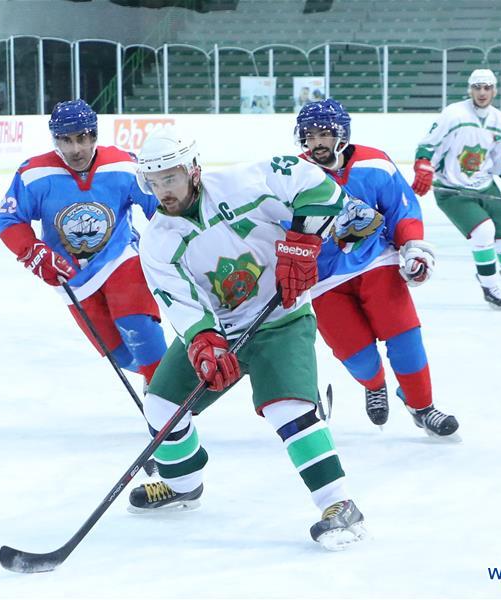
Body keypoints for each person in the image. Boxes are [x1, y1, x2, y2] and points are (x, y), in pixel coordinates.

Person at [129, 126, 367, 551]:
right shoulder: (157, 241)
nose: (163, 190)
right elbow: (180, 300)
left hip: (281, 319)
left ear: (193, 170)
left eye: (171, 177)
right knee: (161, 405)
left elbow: (318, 187)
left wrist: (301, 242)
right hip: (222, 329)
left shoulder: (241, 184)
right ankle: (183, 484)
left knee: (288, 409)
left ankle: (338, 503)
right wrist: (203, 341)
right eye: (154, 181)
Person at [294, 99, 458, 436]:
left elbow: (401, 209)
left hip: (376, 261)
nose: (316, 142)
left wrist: (412, 247)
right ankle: (375, 385)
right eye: (310, 135)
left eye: (323, 134)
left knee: (404, 337)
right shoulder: (295, 175)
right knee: (357, 355)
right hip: (323, 279)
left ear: (342, 135)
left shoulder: (375, 163)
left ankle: (422, 407)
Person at [0, 99, 167, 390]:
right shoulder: (34, 174)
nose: (75, 149)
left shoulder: (123, 165)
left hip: (120, 258)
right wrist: (33, 251)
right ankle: (167, 374)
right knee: (120, 356)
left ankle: (165, 389)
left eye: (82, 138)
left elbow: (160, 208)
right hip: (71, 276)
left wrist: (173, 241)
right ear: (55, 140)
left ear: (94, 136)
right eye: (66, 140)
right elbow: (9, 219)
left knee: (137, 322)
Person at [410, 69, 501, 310]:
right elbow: (428, 145)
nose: (482, 92)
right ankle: (490, 285)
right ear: (470, 89)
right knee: (484, 232)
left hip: (485, 187)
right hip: (451, 189)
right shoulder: (454, 114)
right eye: (477, 87)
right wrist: (423, 166)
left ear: (495, 90)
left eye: (487, 88)